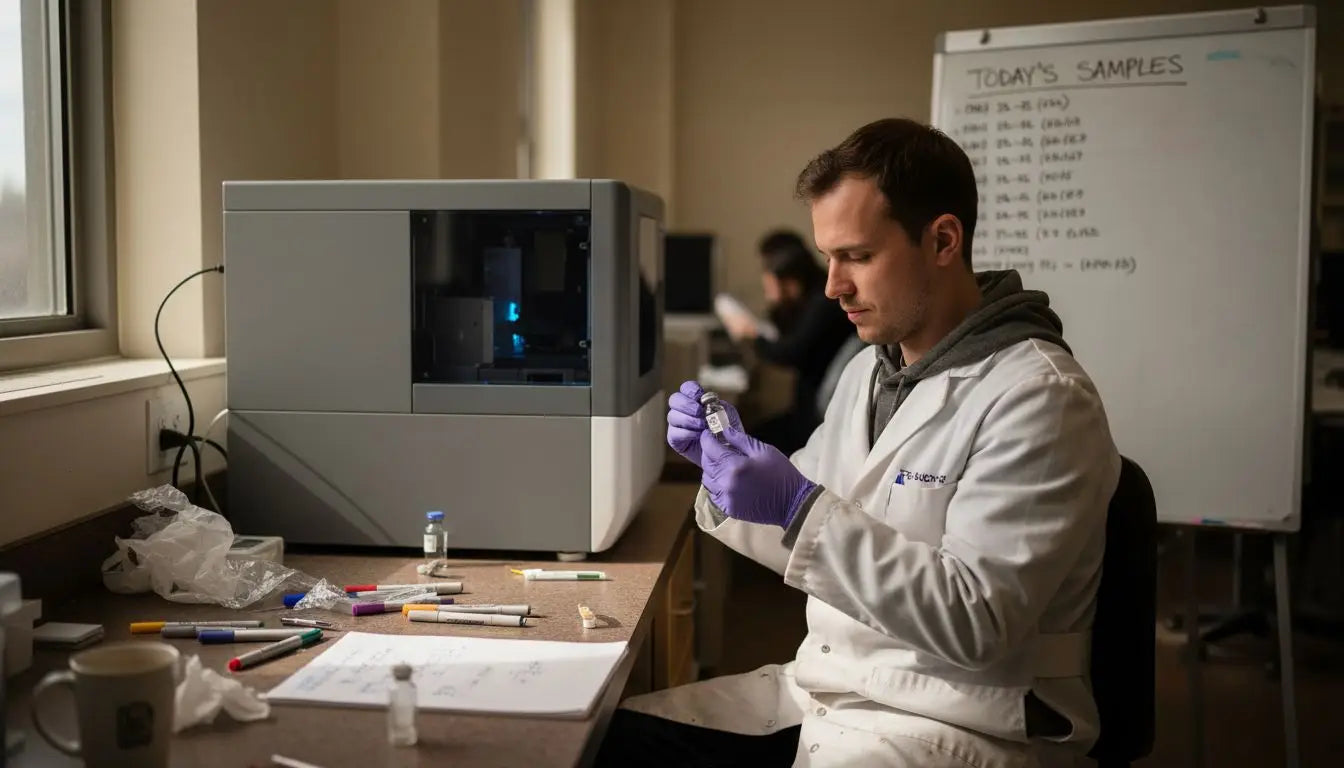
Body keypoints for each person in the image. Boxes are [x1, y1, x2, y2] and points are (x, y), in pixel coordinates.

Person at [596, 117, 1121, 767]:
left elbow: (979, 620)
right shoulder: (870, 372)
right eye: (828, 258)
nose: (832, 286)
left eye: (858, 256)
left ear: (943, 240)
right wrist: (722, 472)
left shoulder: (1040, 397)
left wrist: (796, 505)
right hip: (833, 690)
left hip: (961, 722)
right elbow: (802, 521)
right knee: (604, 742)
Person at [720, 230, 855, 454]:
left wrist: (751, 334)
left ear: (790, 279)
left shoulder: (823, 302)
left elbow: (790, 352)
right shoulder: (812, 299)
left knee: (747, 439)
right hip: (810, 409)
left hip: (814, 417)